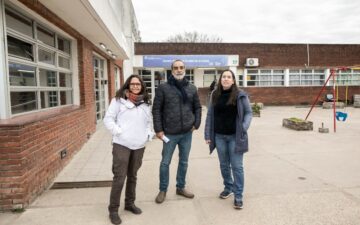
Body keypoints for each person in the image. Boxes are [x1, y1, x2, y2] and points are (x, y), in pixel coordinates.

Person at [104, 74, 154, 225]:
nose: (135, 87)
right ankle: (113, 210)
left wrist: (148, 135)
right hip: (122, 144)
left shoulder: (146, 104)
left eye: (138, 84)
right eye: (132, 84)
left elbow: (149, 123)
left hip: (139, 146)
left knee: (133, 176)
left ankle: (129, 204)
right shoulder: (118, 101)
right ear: (128, 85)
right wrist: (119, 132)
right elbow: (108, 119)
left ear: (142, 87)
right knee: (120, 177)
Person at [152, 59, 202, 204]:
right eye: (176, 68)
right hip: (169, 133)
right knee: (165, 163)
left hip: (187, 133)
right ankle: (163, 190)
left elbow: (197, 107)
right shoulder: (163, 88)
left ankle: (180, 187)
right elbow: (156, 110)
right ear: (172, 70)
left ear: (185, 69)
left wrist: (196, 124)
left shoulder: (192, 88)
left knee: (184, 162)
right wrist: (158, 129)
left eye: (181, 67)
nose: (179, 70)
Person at [204, 69, 252, 210]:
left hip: (235, 137)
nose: (225, 79)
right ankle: (228, 187)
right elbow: (209, 115)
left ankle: (238, 195)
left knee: (237, 167)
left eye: (228, 77)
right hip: (219, 136)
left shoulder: (240, 95)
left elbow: (249, 113)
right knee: (224, 165)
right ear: (220, 80)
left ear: (233, 80)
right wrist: (207, 135)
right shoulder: (215, 94)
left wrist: (243, 127)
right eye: (223, 77)